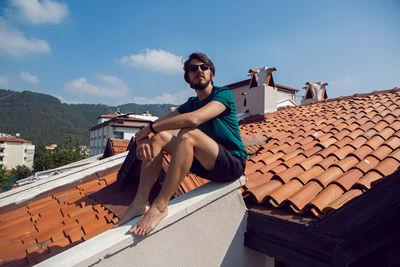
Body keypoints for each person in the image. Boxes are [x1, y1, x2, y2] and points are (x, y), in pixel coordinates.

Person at [116, 52, 247, 237]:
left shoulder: (223, 94)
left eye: (204, 67)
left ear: (212, 73)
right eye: (193, 68)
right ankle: (140, 202)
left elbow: (194, 119)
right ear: (188, 78)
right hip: (205, 164)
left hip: (231, 164)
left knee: (188, 134)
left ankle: (161, 205)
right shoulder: (191, 103)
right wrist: (144, 137)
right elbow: (160, 124)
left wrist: (149, 129)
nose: (199, 70)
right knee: (159, 137)